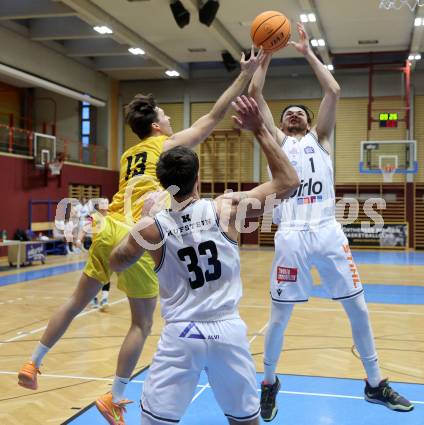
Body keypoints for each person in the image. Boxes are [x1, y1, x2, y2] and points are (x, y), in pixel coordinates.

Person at [18, 48, 263, 425]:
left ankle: (33, 362)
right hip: (135, 231)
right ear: (156, 126)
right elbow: (215, 114)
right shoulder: (165, 146)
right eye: (165, 115)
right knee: (141, 324)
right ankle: (115, 396)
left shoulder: (128, 153)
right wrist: (246, 75)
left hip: (106, 229)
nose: (168, 119)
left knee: (75, 300)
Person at [248, 23, 414, 421]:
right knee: (279, 317)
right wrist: (266, 55)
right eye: (288, 113)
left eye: (298, 113)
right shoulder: (278, 141)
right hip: (290, 234)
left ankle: (375, 383)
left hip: (326, 230)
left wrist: (307, 53)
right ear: (282, 124)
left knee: (359, 308)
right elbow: (254, 94)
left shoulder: (320, 140)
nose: (292, 115)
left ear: (309, 122)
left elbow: (334, 91)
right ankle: (269, 383)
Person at [109, 95, 300, 425]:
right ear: (197, 179)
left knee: (154, 421)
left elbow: (116, 262)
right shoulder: (226, 208)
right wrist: (259, 131)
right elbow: (288, 182)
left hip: (181, 334)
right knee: (246, 421)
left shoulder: (152, 227)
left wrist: (140, 220)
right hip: (227, 331)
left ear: (164, 184)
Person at [75, 198, 112, 311]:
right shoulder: (93, 217)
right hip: (96, 250)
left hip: (109, 249)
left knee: (107, 275)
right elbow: (84, 229)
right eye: (102, 202)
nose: (105, 204)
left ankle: (105, 299)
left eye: (106, 202)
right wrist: (79, 240)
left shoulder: (113, 217)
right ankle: (94, 298)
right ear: (98, 206)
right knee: (93, 275)